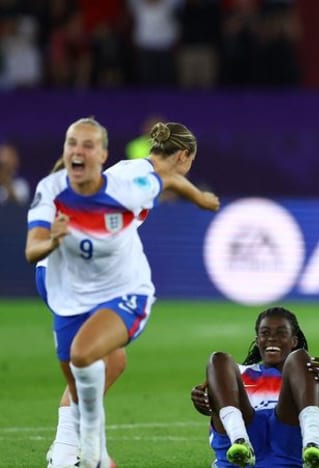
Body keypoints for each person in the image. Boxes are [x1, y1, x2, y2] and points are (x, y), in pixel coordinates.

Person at [26, 117, 219, 468]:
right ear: (185, 155)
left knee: (110, 361)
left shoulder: (141, 172)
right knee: (96, 360)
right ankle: (76, 453)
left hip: (58, 274)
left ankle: (68, 450)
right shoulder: (132, 177)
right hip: (78, 277)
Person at [189, 306, 319, 468]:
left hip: (287, 442)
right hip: (243, 436)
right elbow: (212, 406)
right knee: (218, 359)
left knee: (300, 357)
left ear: (294, 341)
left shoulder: (305, 374)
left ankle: (312, 444)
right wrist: (201, 401)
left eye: (281, 333)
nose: (272, 338)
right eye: (265, 333)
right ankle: (240, 441)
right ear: (257, 341)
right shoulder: (239, 373)